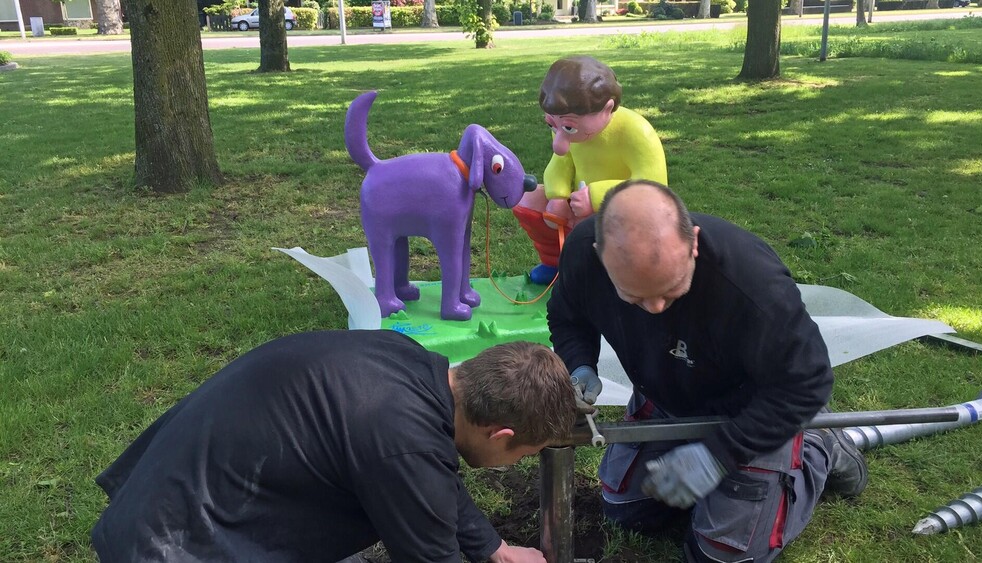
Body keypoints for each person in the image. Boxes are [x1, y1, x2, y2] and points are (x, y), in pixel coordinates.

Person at [546, 180, 868, 562]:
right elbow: (567, 316)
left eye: (671, 289)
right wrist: (580, 364)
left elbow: (808, 383)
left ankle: (819, 444)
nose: (655, 309)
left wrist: (718, 454)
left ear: (694, 243)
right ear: (601, 256)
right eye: (634, 296)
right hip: (667, 394)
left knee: (721, 556)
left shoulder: (751, 286)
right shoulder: (584, 253)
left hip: (750, 408)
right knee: (626, 509)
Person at [90, 330, 578, 562]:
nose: (512, 465)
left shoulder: (409, 362)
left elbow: (434, 481)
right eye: (523, 456)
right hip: (171, 545)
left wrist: (493, 549)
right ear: (502, 435)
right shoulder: (402, 444)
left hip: (165, 497)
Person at [513, 56, 669, 285]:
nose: (559, 139)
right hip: (576, 204)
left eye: (568, 127)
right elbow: (561, 161)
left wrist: (596, 197)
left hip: (623, 211)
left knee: (604, 226)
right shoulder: (562, 127)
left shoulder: (636, 132)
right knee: (527, 200)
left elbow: (653, 186)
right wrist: (557, 195)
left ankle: (609, 274)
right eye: (551, 124)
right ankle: (556, 262)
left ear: (607, 109)